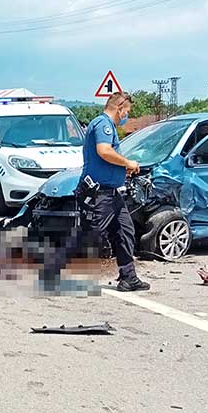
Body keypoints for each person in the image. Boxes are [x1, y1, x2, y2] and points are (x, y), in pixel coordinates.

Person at [79, 92, 150, 292]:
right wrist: (127, 162)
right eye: (127, 111)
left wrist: (121, 169)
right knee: (91, 235)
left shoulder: (105, 125)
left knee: (125, 230)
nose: (126, 115)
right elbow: (104, 151)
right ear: (119, 107)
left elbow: (106, 157)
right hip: (99, 193)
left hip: (111, 193)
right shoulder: (103, 124)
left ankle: (129, 277)